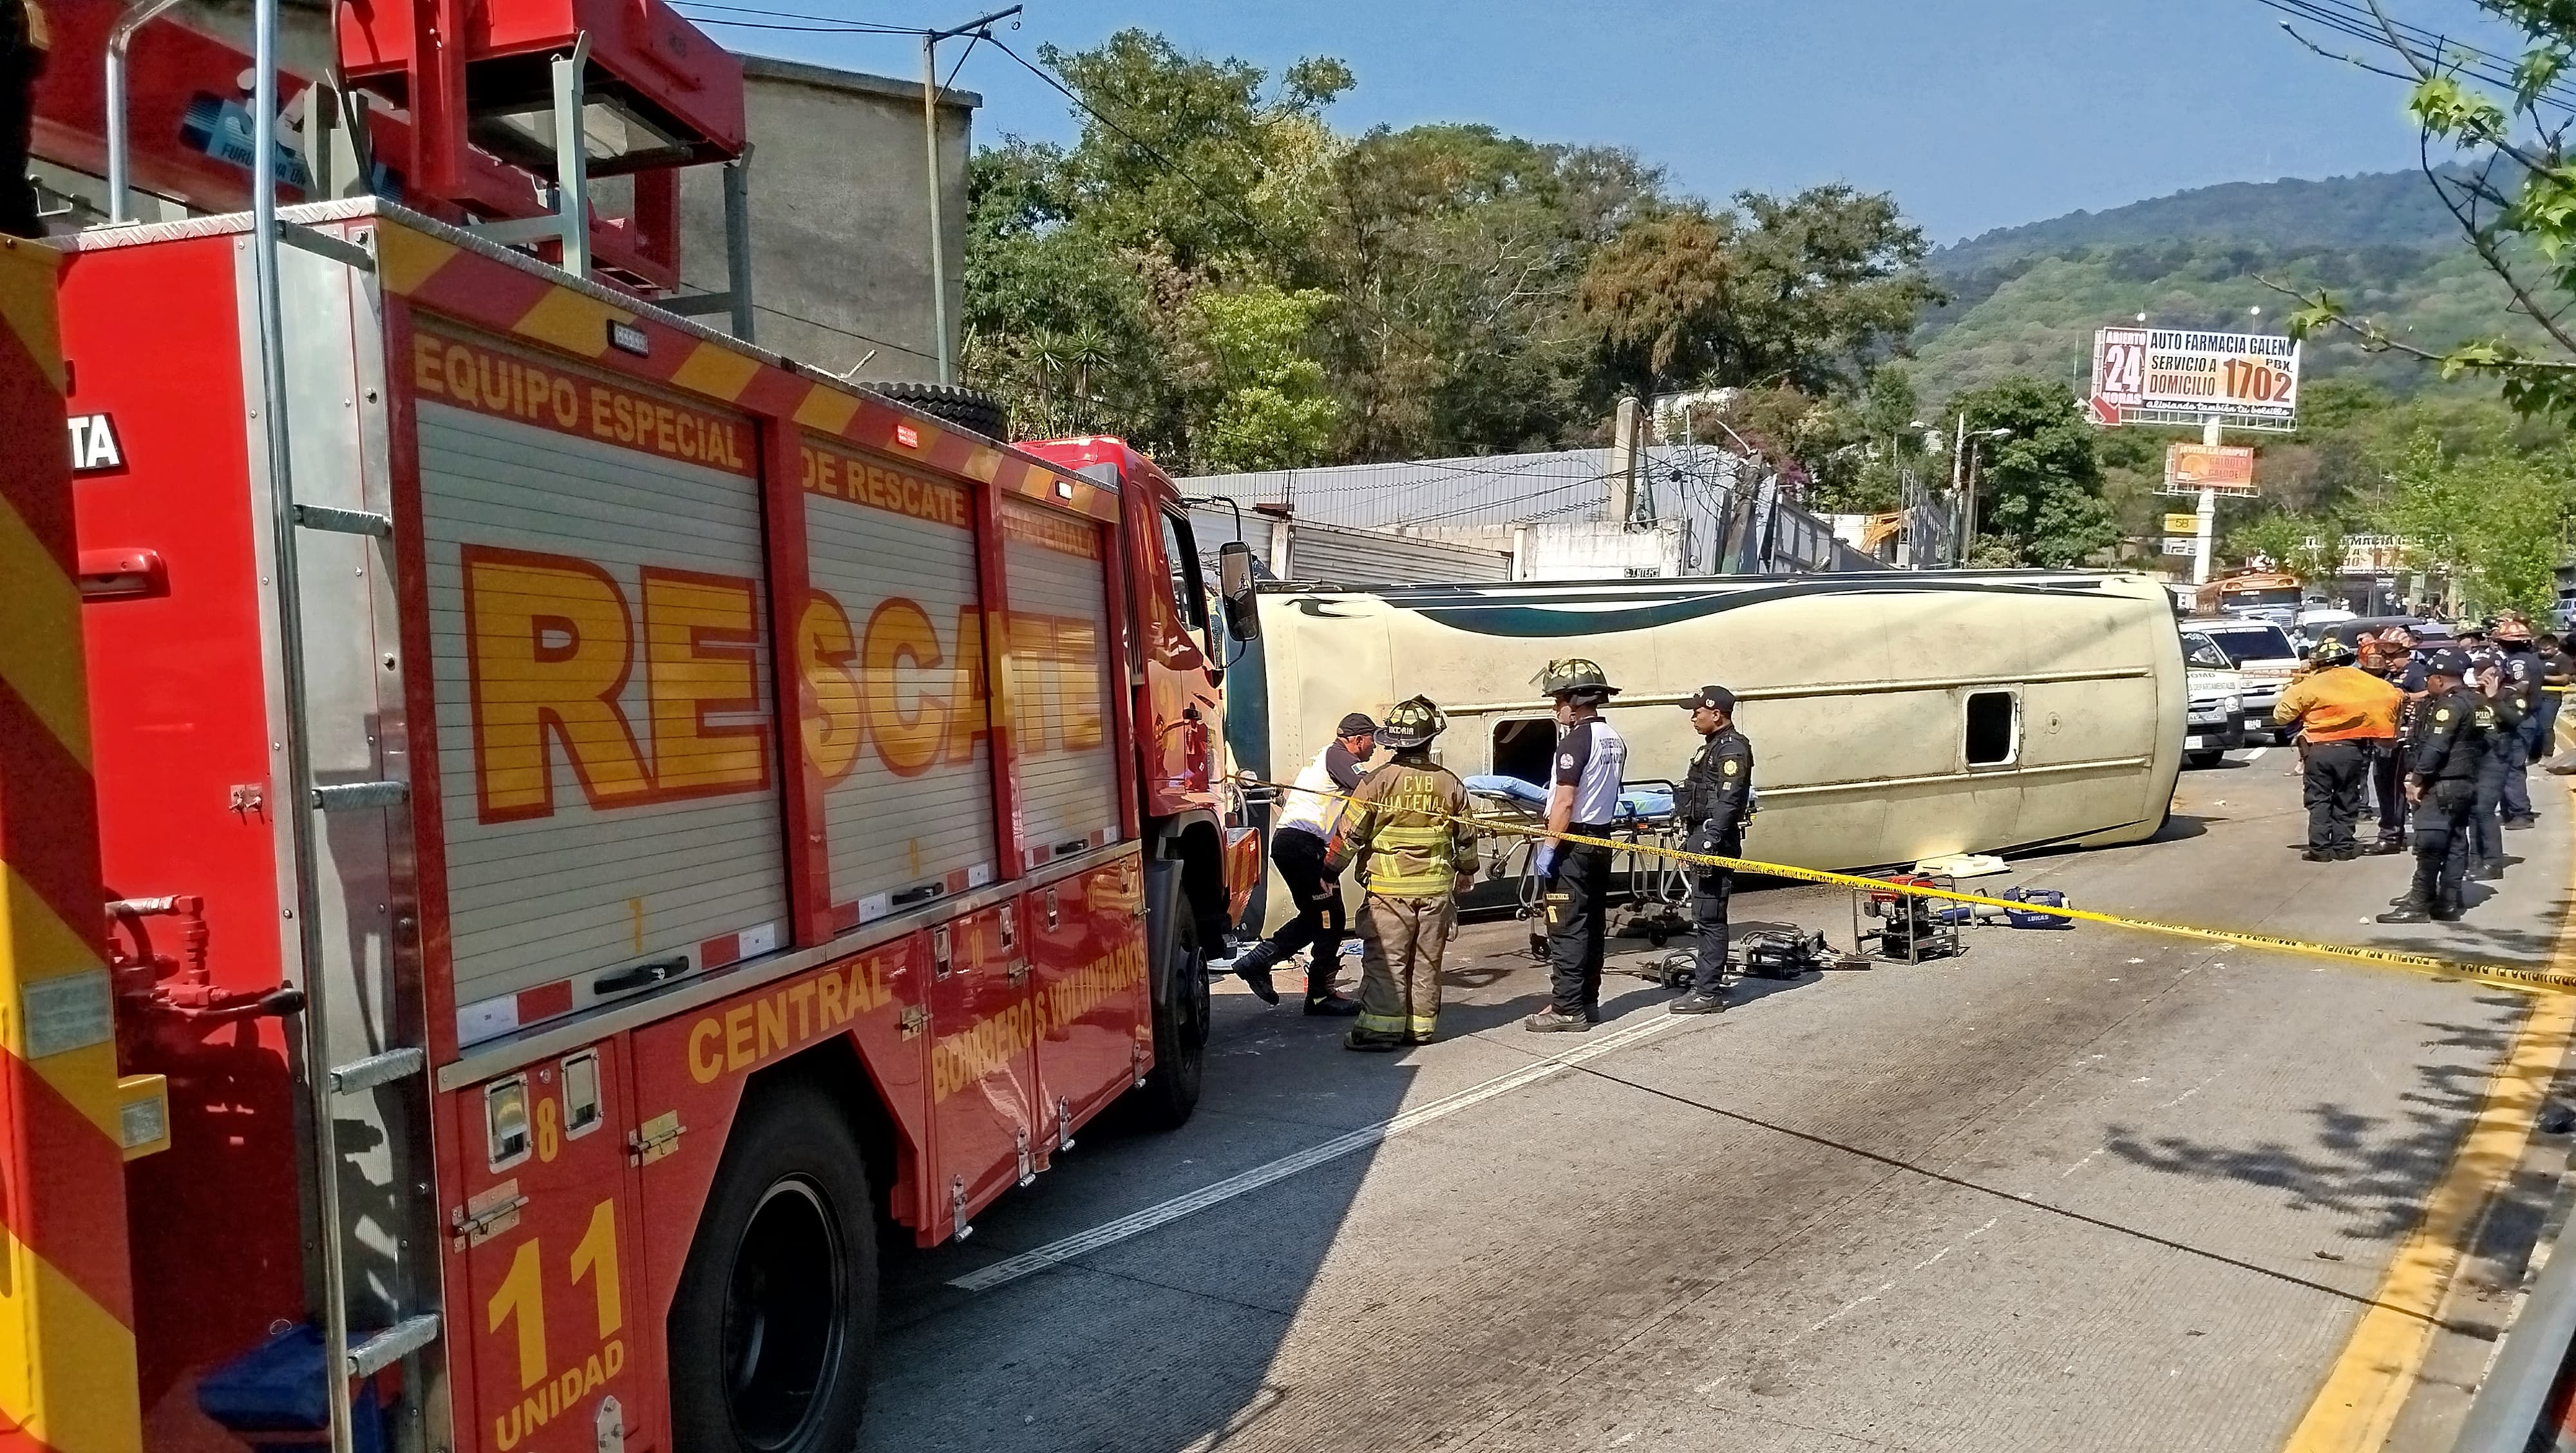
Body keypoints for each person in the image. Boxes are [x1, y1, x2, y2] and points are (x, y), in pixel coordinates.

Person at [1323, 698, 1478, 1051]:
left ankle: (1379, 1031)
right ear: (1429, 740)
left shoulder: (1378, 781)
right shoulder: (1450, 783)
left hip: (1389, 893)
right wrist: (1467, 871)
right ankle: (1420, 1029)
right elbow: (1466, 834)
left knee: (1387, 961)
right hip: (1437, 892)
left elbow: (1351, 832)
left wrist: (1331, 870)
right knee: (1426, 960)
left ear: (1393, 741)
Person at [1231, 712, 1376, 1014]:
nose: (1376, 747)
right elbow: (1370, 791)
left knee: (1316, 917)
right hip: (1301, 846)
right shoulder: (1340, 757)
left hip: (1295, 844)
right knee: (1330, 916)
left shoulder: (1329, 756)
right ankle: (1320, 995)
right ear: (1358, 739)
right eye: (1373, 739)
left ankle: (1258, 961)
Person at [1525, 658, 1628, 1034]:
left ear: (1575, 700)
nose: (1555, 709)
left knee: (1565, 926)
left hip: (1572, 844)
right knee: (1593, 923)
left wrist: (1550, 847)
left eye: (1557, 700)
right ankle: (1587, 1001)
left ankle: (1566, 1009)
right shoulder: (1614, 739)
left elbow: (1566, 802)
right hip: (1600, 840)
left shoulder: (1574, 742)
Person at [2382, 647, 2491, 924]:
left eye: (2431, 677)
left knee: (2429, 846)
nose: (2427, 682)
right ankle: (2448, 902)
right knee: (2455, 842)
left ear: (2440, 680)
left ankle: (2418, 904)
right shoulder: (2479, 701)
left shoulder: (2449, 706)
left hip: (2442, 785)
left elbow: (2437, 746)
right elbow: (2490, 742)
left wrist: (2417, 780)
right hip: (2466, 783)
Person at [2271, 637, 2403, 860]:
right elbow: (2394, 696)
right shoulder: (2369, 682)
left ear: (2320, 664)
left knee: (2319, 800)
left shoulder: (2308, 685)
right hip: (2352, 751)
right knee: (2347, 798)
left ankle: (2320, 850)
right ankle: (2344, 848)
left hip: (2318, 750)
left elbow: (2281, 716)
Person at [1669, 685, 1754, 1015]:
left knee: (1710, 916)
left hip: (1712, 841)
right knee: (1703, 915)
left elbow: (1730, 798)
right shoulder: (1712, 747)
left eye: (1697, 712)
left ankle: (1707, 993)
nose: (1693, 717)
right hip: (1701, 835)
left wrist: (1711, 840)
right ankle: (1706, 986)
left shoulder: (1731, 749)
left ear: (1716, 714)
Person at [2358, 627, 2423, 853]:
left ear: (2407, 652)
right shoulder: (2386, 675)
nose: (2389, 660)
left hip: (2404, 742)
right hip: (2384, 739)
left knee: (2396, 790)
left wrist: (2404, 697)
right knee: (2385, 789)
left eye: (2394, 655)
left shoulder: (2417, 673)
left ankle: (2391, 836)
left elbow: (2430, 694)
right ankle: (2395, 832)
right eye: (2385, 655)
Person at [2495, 615, 2544, 828]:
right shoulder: (2534, 659)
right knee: (2512, 766)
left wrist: (2496, 696)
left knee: (2512, 767)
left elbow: (2520, 686)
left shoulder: (2518, 662)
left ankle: (2520, 813)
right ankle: (2512, 811)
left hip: (2519, 719)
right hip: (2529, 718)